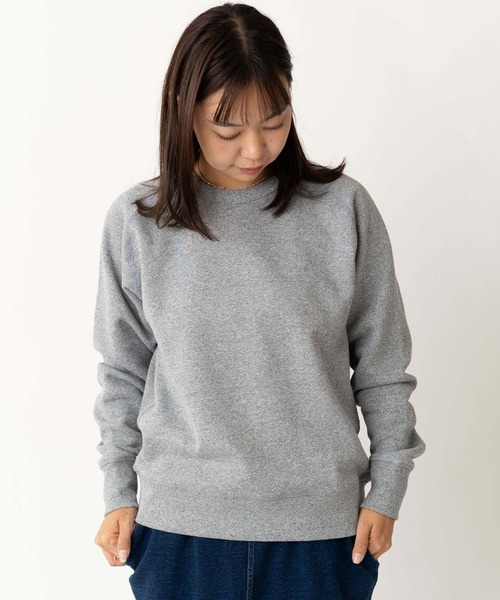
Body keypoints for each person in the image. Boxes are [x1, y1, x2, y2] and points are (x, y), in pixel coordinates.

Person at [92, 3, 426, 599]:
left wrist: (388, 489)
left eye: (274, 122)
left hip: (321, 535)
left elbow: (381, 365)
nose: (254, 148)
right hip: (180, 533)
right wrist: (119, 493)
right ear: (183, 110)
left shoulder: (342, 211)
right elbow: (123, 371)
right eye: (228, 130)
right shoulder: (138, 223)